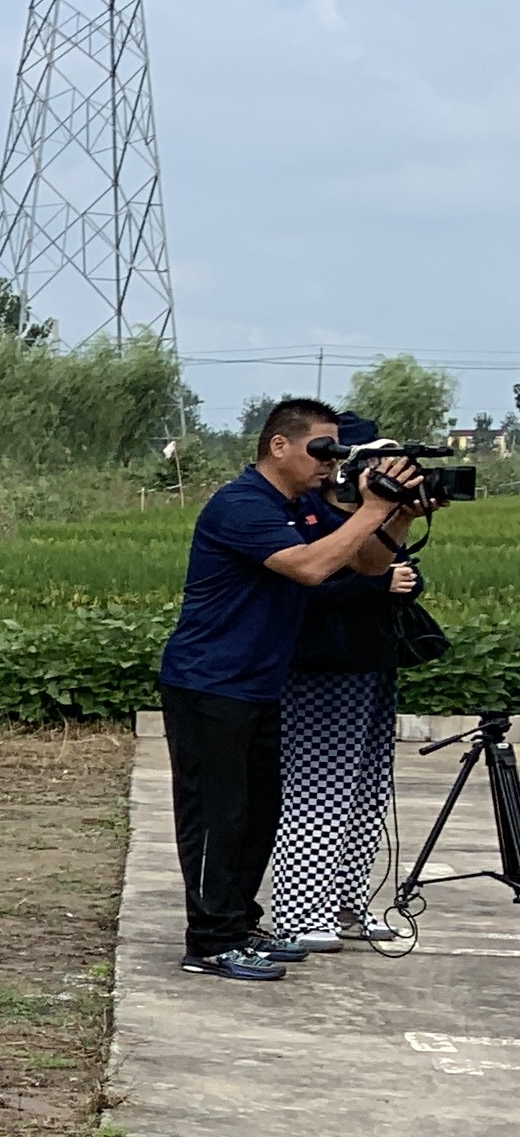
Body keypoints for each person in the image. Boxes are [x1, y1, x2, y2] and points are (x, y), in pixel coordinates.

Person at [160, 397, 418, 981]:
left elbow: (369, 565)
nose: (329, 465)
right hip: (210, 683)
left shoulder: (299, 505)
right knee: (216, 817)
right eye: (320, 450)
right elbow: (308, 568)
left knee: (258, 814)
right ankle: (208, 942)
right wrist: (368, 507)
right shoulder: (242, 504)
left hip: (259, 684)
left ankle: (237, 922)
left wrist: (394, 513)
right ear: (279, 445)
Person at [272, 412, 422, 954]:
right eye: (371, 463)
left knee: (365, 791)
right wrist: (379, 583)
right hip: (317, 668)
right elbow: (307, 588)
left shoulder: (374, 516)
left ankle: (348, 902)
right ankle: (299, 911)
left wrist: (398, 523)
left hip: (371, 662)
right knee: (317, 791)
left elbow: (400, 574)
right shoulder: (303, 513)